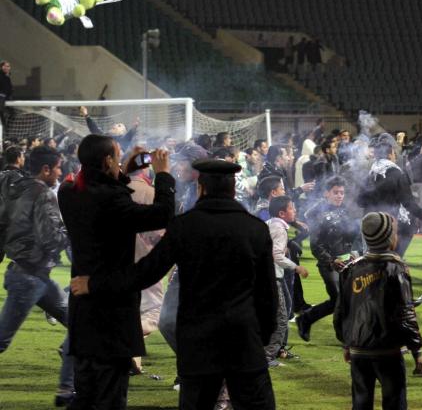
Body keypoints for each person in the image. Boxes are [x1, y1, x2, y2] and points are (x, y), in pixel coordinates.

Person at [70, 158, 278, 409]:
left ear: (201, 188)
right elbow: (268, 294)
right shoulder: (255, 229)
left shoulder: (185, 226)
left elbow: (144, 273)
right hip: (243, 338)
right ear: (233, 190)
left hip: (198, 341)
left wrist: (95, 284)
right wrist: (261, 335)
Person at [58, 135, 175, 409]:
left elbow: (101, 186)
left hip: (83, 310)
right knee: (109, 396)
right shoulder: (112, 201)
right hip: (111, 312)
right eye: (117, 156)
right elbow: (162, 214)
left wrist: (125, 169)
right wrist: (163, 176)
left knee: (86, 394)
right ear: (108, 160)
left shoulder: (69, 191)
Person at [0, 146, 74, 407]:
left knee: (80, 326)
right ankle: (68, 387)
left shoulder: (16, 188)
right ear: (46, 169)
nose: (60, 172)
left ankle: (67, 389)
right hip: (29, 277)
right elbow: (51, 238)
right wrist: (73, 230)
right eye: (58, 167)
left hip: (33, 275)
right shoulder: (43, 193)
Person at [333, 212, 422, 410]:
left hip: (359, 350)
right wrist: (417, 349)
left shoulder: (350, 269)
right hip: (388, 350)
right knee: (394, 403)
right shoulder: (397, 268)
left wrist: (347, 344)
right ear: (390, 237)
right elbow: (406, 312)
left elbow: (341, 312)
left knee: (361, 403)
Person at [296, 177, 358, 342]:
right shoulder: (317, 213)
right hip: (329, 265)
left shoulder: (345, 210)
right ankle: (345, 337)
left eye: (342, 193)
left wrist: (353, 253)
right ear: (326, 193)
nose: (339, 196)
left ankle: (306, 319)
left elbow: (350, 237)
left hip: (347, 262)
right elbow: (316, 245)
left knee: (341, 300)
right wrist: (331, 261)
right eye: (335, 192)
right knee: (339, 299)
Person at [126, 159, 167, 375]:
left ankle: (133, 359)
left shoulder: (116, 191)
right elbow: (159, 233)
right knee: (154, 311)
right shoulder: (151, 193)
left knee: (129, 308)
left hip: (116, 262)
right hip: (147, 262)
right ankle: (124, 340)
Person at [358, 139, 422, 258]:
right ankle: (396, 259)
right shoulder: (398, 174)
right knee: (409, 227)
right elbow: (407, 202)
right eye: (393, 153)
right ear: (389, 155)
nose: (395, 156)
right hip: (388, 222)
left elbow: (360, 201)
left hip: (369, 222)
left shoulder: (370, 174)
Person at [265, 195, 309, 364]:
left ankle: (277, 350)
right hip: (273, 277)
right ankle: (268, 356)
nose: (295, 210)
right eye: (292, 208)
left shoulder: (270, 224)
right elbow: (276, 255)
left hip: (270, 276)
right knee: (282, 318)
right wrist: (296, 267)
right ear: (282, 213)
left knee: (283, 310)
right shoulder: (279, 229)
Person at [0, 60, 12, 128]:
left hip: (6, 97)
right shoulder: (2, 76)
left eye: (8, 66)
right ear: (2, 67)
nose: (8, 68)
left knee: (11, 113)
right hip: (2, 96)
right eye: (6, 66)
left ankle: (5, 127)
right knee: (2, 111)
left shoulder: (7, 76)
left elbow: (8, 88)